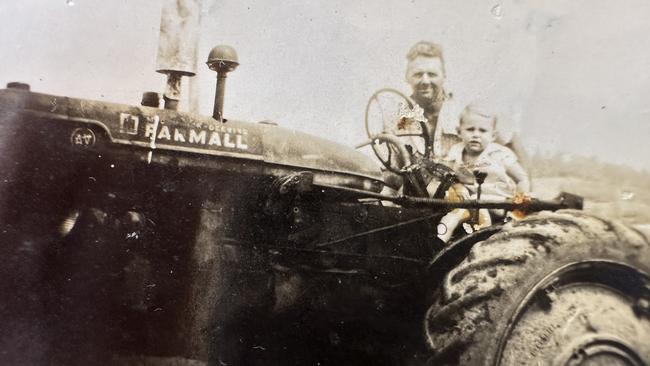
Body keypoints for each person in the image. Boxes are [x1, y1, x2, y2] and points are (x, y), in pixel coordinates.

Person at [404, 41, 528, 165]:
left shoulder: (467, 110)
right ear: (407, 77)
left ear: (444, 76)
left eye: (432, 74)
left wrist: (524, 182)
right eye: (418, 74)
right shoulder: (398, 120)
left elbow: (512, 142)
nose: (425, 81)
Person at [437, 103, 530, 242]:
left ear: (493, 135)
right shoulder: (455, 151)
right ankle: (438, 242)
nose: (476, 135)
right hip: (468, 202)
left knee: (476, 217)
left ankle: (477, 242)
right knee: (453, 214)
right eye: (470, 129)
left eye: (482, 131)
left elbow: (522, 179)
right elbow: (448, 172)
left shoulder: (499, 153)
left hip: (497, 203)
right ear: (458, 131)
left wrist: (518, 208)